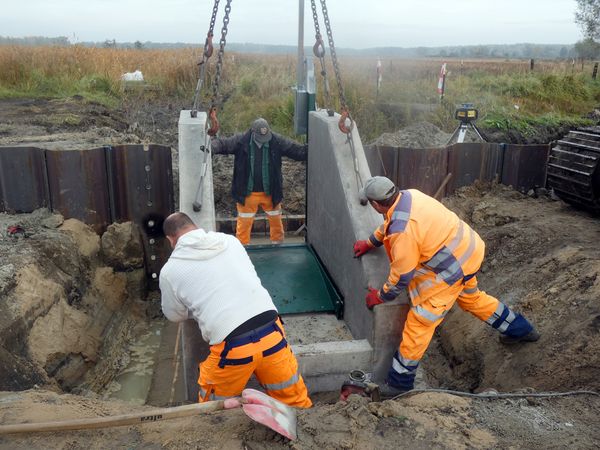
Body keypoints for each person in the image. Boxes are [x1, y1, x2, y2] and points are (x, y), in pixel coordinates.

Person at [353, 176, 540, 396]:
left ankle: (398, 385)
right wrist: (371, 242)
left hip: (451, 271)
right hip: (469, 253)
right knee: (473, 298)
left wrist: (381, 297)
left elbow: (401, 276)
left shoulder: (403, 232)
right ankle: (521, 329)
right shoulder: (410, 195)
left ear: (375, 204)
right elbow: (392, 222)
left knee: (419, 323)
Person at [159, 212, 312, 408]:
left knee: (214, 409)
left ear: (170, 239)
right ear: (195, 226)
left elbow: (174, 315)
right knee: (293, 397)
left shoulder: (170, 271)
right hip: (273, 332)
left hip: (233, 347)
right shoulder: (229, 241)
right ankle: (304, 427)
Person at [211, 118, 307, 245]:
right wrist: (211, 147)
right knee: (244, 224)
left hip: (271, 192)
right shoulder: (241, 141)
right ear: (253, 133)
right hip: (248, 193)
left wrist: (312, 147)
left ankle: (277, 246)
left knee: (276, 221)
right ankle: (242, 248)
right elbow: (223, 144)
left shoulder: (276, 140)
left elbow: (295, 151)